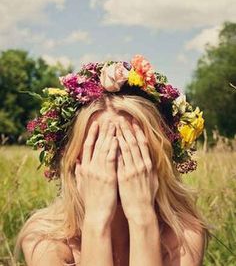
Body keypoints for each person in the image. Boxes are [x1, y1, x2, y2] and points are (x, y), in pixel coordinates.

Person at [14, 54, 209, 266]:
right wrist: (96, 222)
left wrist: (142, 219)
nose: (113, 163)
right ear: (73, 159)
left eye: (131, 147)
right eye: (99, 147)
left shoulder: (184, 237)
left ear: (157, 157)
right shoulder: (44, 239)